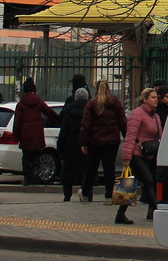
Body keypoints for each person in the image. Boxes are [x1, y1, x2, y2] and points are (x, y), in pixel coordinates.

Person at [119, 87, 163, 224]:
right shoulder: (136, 114)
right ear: (145, 100)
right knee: (148, 181)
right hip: (136, 154)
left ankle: (121, 214)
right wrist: (127, 157)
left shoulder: (155, 116)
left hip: (150, 154)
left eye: (156, 97)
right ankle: (156, 211)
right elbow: (130, 136)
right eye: (152, 97)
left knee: (130, 184)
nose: (156, 100)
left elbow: (160, 135)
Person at [80, 80, 127, 203]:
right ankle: (108, 196)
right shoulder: (115, 102)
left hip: (94, 142)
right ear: (109, 88)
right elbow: (123, 122)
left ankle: (85, 194)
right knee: (109, 168)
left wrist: (83, 142)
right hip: (111, 141)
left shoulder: (91, 103)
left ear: (96, 89)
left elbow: (85, 125)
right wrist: (127, 137)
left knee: (91, 168)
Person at [10, 78, 56, 187]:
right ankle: (35, 173)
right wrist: (59, 119)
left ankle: (26, 178)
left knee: (26, 156)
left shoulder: (21, 104)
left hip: (25, 134)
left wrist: (16, 136)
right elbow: (49, 112)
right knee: (36, 155)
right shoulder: (39, 101)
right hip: (37, 133)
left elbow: (17, 122)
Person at [57, 74, 90, 202]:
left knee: (68, 170)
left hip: (70, 145)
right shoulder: (90, 107)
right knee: (85, 170)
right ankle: (86, 194)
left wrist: (60, 148)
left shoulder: (69, 108)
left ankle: (67, 195)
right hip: (85, 145)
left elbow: (63, 131)